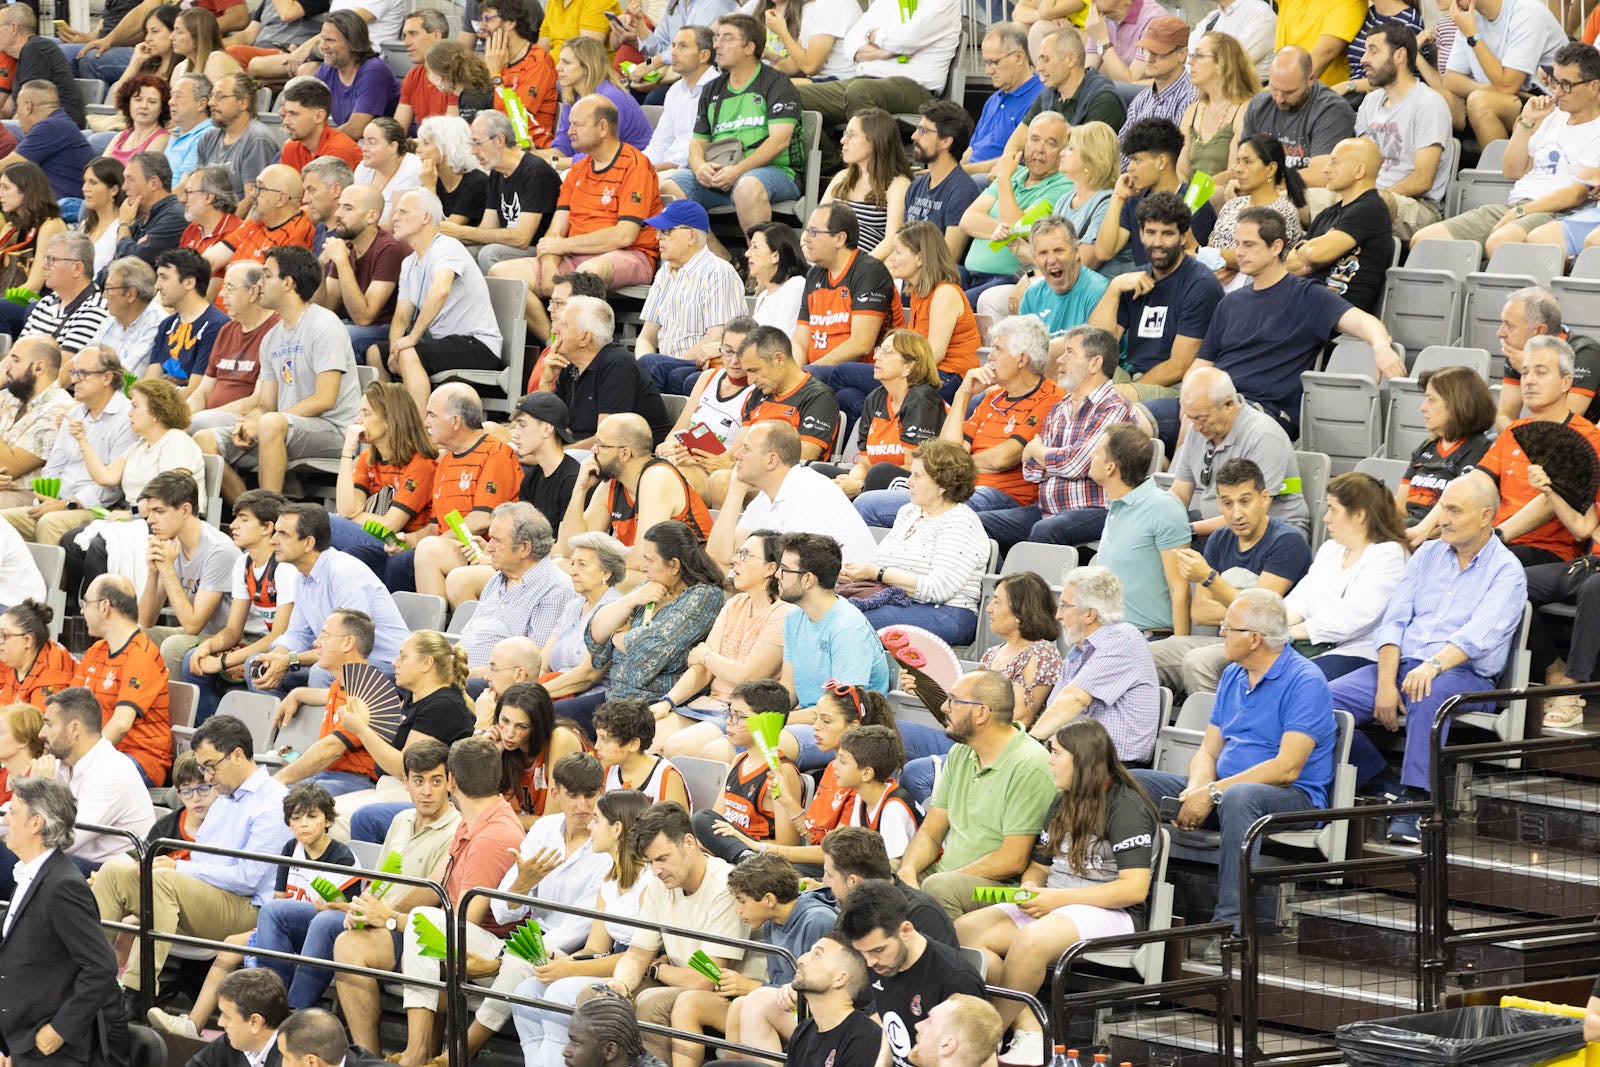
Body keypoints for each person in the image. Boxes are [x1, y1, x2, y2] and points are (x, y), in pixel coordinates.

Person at [1132, 589, 1336, 958]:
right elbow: (1208, 750)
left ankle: (1231, 929)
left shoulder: (1306, 680)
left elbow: (1286, 768)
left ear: (1254, 638)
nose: (1221, 633)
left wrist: (1212, 793)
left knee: (1240, 797)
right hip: (1223, 789)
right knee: (1131, 780)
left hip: (1292, 798)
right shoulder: (1232, 675)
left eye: (1228, 628)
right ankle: (1129, 906)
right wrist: (1197, 788)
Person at [1328, 475, 1527, 843]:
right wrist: (1386, 683)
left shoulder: (1507, 571)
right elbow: (1394, 623)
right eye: (1441, 509)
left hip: (1465, 675)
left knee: (1426, 690)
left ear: (1486, 516)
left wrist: (1431, 666)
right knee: (1319, 700)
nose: (1443, 519)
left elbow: (1478, 638)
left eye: (1453, 510)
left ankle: (1418, 803)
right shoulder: (1427, 554)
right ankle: (1382, 780)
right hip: (1402, 666)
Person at [956, 716, 1158, 1066]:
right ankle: (1028, 1029)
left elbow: (1134, 888)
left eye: (1056, 752)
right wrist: (1031, 889)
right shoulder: (1062, 799)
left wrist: (1057, 899)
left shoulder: (1127, 806)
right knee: (965, 930)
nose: (1049, 759)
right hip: (1058, 903)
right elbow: (1040, 867)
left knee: (1032, 940)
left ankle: (984, 1045)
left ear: (1081, 760)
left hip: (1113, 912)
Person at [331, 737, 524, 1056]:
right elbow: (437, 884)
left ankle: (418, 1053)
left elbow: (462, 926)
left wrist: (390, 919)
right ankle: (372, 1057)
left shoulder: (493, 835)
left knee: (420, 933)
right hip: (445, 940)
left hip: (482, 954)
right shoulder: (471, 821)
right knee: (350, 941)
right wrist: (375, 911)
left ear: (451, 782)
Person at [93, 713, 294, 1001]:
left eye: (211, 767)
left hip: (247, 909)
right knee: (113, 872)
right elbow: (200, 859)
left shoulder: (273, 802)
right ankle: (90, 976)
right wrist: (179, 868)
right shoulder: (225, 797)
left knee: (163, 880)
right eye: (203, 768)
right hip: (206, 896)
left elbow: (248, 879)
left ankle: (137, 993)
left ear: (237, 755)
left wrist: (180, 868)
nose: (208, 776)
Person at [255, 741, 461, 1011]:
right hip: (373, 914)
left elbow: (432, 892)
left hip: (403, 927)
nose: (426, 791)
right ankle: (272, 1007)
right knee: (273, 911)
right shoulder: (401, 820)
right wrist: (358, 905)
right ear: (406, 782)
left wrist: (381, 913)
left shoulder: (457, 829)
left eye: (436, 781)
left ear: (450, 783)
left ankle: (293, 1014)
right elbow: (380, 880)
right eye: (418, 780)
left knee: (327, 922)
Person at [1184, 208, 1402, 437]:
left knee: (1199, 421)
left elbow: (1363, 321)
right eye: (1237, 244)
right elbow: (1201, 363)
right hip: (1214, 404)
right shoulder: (1229, 303)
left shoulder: (1307, 296)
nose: (1239, 252)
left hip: (1264, 411)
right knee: (1142, 419)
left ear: (1276, 247)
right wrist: (1189, 397)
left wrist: (1380, 347)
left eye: (1249, 245)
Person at [853, 315, 1063, 528]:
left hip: (1002, 496)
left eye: (997, 349)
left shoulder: (1051, 399)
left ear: (1022, 359)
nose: (990, 356)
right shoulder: (992, 397)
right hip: (960, 489)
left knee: (870, 505)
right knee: (866, 504)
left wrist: (960, 464)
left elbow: (1001, 459)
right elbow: (948, 451)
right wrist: (963, 394)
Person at [196, 245, 358, 502]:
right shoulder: (272, 337)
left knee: (271, 423)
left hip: (334, 430)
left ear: (288, 283)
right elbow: (265, 405)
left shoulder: (324, 325)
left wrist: (263, 422)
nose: (260, 284)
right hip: (284, 426)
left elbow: (325, 399)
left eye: (267, 275)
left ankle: (268, 513)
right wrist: (248, 421)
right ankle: (249, 509)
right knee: (204, 439)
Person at [896, 669, 1057, 920]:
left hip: (1004, 890)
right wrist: (907, 872)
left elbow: (1012, 860)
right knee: (877, 873)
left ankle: (939, 955)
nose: (945, 707)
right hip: (948, 874)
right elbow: (930, 832)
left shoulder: (1030, 764)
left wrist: (947, 877)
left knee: (938, 888)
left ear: (981, 713)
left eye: (954, 700)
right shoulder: (963, 752)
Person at [1411, 46, 1600, 255]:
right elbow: (1512, 170)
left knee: (1501, 243)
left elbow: (1577, 195)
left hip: (1555, 213)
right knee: (1423, 242)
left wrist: (1521, 211)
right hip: (1516, 206)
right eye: (1555, 82)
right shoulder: (1552, 117)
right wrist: (1527, 122)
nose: (1557, 92)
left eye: (1566, 85)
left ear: (1593, 86)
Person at [1151, 457, 1314, 695]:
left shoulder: (1288, 542)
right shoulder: (1220, 539)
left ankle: (1216, 730)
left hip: (1265, 646)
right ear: (1219, 504)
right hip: (1222, 639)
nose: (1236, 513)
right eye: (1228, 503)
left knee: (1198, 662)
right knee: (1147, 654)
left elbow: (1261, 618)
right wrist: (1239, 607)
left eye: (1245, 501)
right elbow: (1200, 613)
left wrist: (1210, 580)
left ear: (1265, 499)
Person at [669, 850, 839, 1065]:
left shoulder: (817, 921)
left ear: (768, 899)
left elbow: (818, 994)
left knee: (745, 1005)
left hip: (816, 1017)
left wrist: (752, 987)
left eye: (741, 901)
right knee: (689, 1001)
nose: (737, 910)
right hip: (780, 1004)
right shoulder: (771, 922)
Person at [0, 777, 126, 1067]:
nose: (5, 818)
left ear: (36, 823)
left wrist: (60, 1029)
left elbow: (101, 965)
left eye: (13, 811)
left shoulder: (63, 886)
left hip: (53, 1051)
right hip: (22, 1041)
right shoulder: (29, 874)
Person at [654, 14, 803, 258]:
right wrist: (700, 166)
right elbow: (698, 142)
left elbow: (779, 141)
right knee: (670, 186)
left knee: (746, 186)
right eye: (716, 38)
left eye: (727, 39)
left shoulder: (776, 84)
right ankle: (720, 258)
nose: (717, 45)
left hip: (776, 173)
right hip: (722, 175)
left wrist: (737, 171)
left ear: (749, 48)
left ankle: (760, 263)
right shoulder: (713, 89)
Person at [980, 324, 1137, 551]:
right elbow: (1031, 470)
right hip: (1046, 509)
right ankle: (1002, 585)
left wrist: (1040, 453)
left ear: (1095, 363)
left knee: (1047, 530)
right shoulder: (1059, 408)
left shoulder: (1113, 407)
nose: (1060, 360)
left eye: (1070, 353)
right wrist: (1056, 461)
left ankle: (1029, 585)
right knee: (978, 524)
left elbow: (1075, 464)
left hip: (1096, 509)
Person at [836, 439, 989, 646]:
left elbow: (938, 589)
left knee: (846, 620)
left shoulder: (960, 521)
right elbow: (880, 562)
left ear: (942, 484)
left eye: (917, 476)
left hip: (948, 613)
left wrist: (876, 573)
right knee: (821, 607)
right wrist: (854, 573)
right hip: (901, 600)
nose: (908, 481)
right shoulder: (908, 511)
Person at [247, 503, 410, 697]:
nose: (273, 540)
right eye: (275, 532)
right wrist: (276, 656)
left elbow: (349, 646)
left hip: (390, 666)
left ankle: (329, 728)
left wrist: (289, 660)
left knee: (323, 672)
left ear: (308, 543)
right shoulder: (301, 576)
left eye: (283, 534)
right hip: (339, 658)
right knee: (257, 665)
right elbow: (298, 635)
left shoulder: (343, 571)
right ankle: (283, 726)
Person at [652, 535, 792, 756]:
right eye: (738, 552)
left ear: (770, 568)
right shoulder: (734, 604)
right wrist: (667, 702)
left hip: (742, 714)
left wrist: (707, 656)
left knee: (676, 747)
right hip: (710, 704)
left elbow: (747, 676)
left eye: (745, 555)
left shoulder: (783, 613)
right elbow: (700, 669)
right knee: (647, 738)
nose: (735, 559)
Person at [578, 521, 727, 729]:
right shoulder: (650, 587)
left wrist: (616, 636)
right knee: (549, 718)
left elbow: (646, 649)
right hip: (615, 697)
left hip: (651, 704)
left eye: (649, 560)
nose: (642, 567)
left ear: (674, 565)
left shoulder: (704, 597)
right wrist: (631, 600)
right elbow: (595, 631)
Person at [1273, 471, 1412, 682]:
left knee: (1290, 683)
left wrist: (1289, 633)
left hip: (1358, 653)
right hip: (1310, 643)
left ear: (1359, 515)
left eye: (1333, 510)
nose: (1325, 518)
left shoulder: (1389, 554)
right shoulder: (1330, 549)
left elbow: (1353, 617)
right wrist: (1272, 625)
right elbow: (1300, 600)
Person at [379, 188, 505, 418]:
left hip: (478, 345)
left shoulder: (446, 246)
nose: (394, 217)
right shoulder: (409, 263)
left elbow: (440, 290)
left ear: (425, 217)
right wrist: (395, 348)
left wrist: (411, 339)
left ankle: (417, 433)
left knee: (410, 352)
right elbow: (401, 316)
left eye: (402, 211)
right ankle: (393, 422)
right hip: (444, 344)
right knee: (375, 353)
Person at [793, 0, 962, 172]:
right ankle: (833, 167)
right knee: (791, 96)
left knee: (860, 91)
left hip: (915, 88)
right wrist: (888, 51)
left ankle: (875, 176)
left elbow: (906, 38)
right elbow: (851, 43)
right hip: (864, 82)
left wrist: (874, 36)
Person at [1089, 192, 1224, 405]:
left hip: (1177, 388)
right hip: (1134, 376)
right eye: (1150, 232)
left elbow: (1179, 366)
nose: (1157, 242)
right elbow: (1097, 346)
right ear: (1140, 233)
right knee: (1082, 370)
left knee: (1112, 399)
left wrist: (1129, 389)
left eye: (1167, 234)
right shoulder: (1134, 279)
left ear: (1183, 236)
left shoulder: (1200, 285)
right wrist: (1114, 289)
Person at [1475, 337, 1600, 566]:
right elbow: (1477, 481)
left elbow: (1552, 501)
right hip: (1498, 542)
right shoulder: (1514, 430)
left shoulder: (1587, 437)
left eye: (1540, 372)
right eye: (1524, 373)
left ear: (1566, 383)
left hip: (1545, 551)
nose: (1529, 381)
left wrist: (1494, 537)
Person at [836, 880, 986, 1067]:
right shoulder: (882, 963)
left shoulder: (956, 980)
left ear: (906, 930)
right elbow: (890, 1022)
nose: (870, 961)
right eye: (862, 952)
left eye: (878, 950)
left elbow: (981, 1059)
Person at [0, 346, 134, 546]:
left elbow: (112, 486)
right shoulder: (76, 413)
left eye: (83, 374)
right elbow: (54, 466)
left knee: (48, 523)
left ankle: (51, 579)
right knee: (4, 521)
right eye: (73, 372)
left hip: (95, 507)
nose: (73, 380)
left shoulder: (127, 417)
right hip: (58, 502)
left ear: (107, 378)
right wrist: (45, 500)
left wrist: (68, 504)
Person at [180, 490, 294, 724]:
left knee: (255, 665)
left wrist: (226, 661)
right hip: (260, 643)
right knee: (194, 659)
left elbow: (279, 636)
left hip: (289, 649)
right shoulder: (243, 562)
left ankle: (265, 738)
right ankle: (210, 731)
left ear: (267, 527)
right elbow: (233, 631)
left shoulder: (285, 566)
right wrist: (208, 647)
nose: (233, 525)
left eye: (244, 519)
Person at [1032, 568, 1163, 767]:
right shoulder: (1079, 651)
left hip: (1114, 768)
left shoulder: (1123, 638)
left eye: (1065, 606)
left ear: (1089, 615)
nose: (1058, 615)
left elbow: (1075, 699)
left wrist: (1028, 743)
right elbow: (1055, 709)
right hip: (1075, 760)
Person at [706, 419, 878, 568]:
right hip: (798, 588)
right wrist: (737, 490)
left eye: (746, 449)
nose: (737, 455)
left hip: (846, 594)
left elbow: (799, 573)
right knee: (724, 573)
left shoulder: (811, 492)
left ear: (771, 460)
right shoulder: (766, 496)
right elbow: (718, 557)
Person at [1166, 368, 1310, 541]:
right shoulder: (1196, 430)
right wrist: (1163, 521)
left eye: (1202, 419)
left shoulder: (1264, 436)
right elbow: (1180, 493)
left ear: (1228, 405)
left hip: (1267, 532)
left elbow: (1251, 513)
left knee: (1172, 543)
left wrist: (1186, 530)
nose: (1195, 427)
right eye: (1191, 418)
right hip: (1213, 525)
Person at [793, 202, 903, 423]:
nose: (806, 238)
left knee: (843, 398)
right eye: (807, 231)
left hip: (867, 376)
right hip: (820, 373)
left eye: (814, 232)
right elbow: (800, 341)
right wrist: (792, 375)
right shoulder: (815, 275)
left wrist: (807, 374)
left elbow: (861, 344)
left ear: (839, 239)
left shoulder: (868, 271)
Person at [31, 684, 156, 869]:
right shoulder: (59, 765)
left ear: (74, 729)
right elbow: (14, 820)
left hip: (112, 874)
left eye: (48, 724)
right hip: (73, 863)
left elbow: (63, 841)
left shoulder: (112, 771)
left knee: (35, 862)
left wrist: (39, 788)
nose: (41, 733)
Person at [135, 467, 241, 679]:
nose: (150, 520)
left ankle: (173, 711)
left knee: (174, 646)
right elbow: (146, 620)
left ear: (185, 510)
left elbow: (192, 625)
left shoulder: (219, 550)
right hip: (202, 634)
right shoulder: (172, 543)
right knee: (135, 636)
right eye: (150, 512)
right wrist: (154, 572)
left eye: (159, 511)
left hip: (232, 638)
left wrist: (166, 568)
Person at [68, 572, 174, 785]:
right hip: (100, 753)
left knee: (82, 782)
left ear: (104, 607)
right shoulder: (96, 650)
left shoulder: (142, 655)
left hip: (138, 758)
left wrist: (84, 761)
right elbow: (70, 707)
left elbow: (121, 723)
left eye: (85, 603)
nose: (82, 610)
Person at [633, 199, 747, 393]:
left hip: (702, 363)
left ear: (691, 235)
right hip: (664, 365)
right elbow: (646, 337)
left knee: (654, 366)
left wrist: (661, 363)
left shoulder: (718, 272)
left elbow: (716, 337)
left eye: (666, 230)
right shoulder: (664, 274)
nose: (658, 236)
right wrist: (642, 364)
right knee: (627, 363)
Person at [1350, 25, 1451, 240]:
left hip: (1417, 206)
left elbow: (1422, 180)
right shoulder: (1369, 103)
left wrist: (1369, 197)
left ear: (1400, 55)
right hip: (1365, 198)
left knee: (1369, 208)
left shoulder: (1429, 104)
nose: (1363, 59)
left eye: (1373, 50)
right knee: (1293, 200)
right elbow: (1358, 163)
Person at [959, 112, 1074, 296]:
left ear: (1063, 151)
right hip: (968, 273)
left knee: (952, 308)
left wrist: (1003, 179)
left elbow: (1017, 228)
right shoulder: (1015, 172)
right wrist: (1006, 230)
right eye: (1034, 140)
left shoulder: (1063, 185)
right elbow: (967, 220)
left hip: (1007, 279)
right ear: (1025, 142)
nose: (1039, 149)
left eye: (1051, 143)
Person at [823, 330, 945, 501]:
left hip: (922, 484)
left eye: (887, 352)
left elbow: (914, 467)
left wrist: (860, 487)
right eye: (879, 350)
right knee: (819, 474)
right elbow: (865, 464)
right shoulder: (875, 398)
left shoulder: (923, 399)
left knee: (880, 472)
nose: (876, 357)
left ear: (908, 366)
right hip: (876, 480)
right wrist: (849, 483)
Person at [1282, 138, 1392, 315]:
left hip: (1339, 320)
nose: (1326, 169)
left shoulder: (1371, 209)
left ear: (1359, 170)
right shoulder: (1327, 214)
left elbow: (1315, 254)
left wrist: (1312, 254)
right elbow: (1289, 265)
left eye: (1334, 162)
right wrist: (1315, 252)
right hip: (1306, 310)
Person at [1438, 0, 1566, 146]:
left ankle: (1500, 168)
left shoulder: (1527, 11)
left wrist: (1472, 34)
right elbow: (1450, 79)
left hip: (1548, 102)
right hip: (1511, 95)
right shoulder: (1470, 17)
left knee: (1480, 102)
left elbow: (1508, 85)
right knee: (1438, 99)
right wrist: (1490, 90)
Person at [1095, 118, 1217, 271]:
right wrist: (1118, 197)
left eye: (1137, 160)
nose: (1130, 168)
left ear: (1161, 161)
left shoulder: (1195, 202)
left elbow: (1191, 263)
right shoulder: (1134, 199)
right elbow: (1103, 252)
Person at [1400, 366, 1497, 540]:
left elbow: (1463, 518)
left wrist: (1411, 536)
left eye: (1431, 400)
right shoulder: (1426, 447)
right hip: (1411, 531)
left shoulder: (1481, 451)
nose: (1423, 408)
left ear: (1456, 404)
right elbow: (1402, 506)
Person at [892, 221, 981, 398]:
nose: (892, 258)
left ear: (920, 258)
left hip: (949, 378)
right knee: (849, 395)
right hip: (927, 375)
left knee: (840, 373)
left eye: (898, 252)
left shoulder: (944, 293)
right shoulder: (918, 291)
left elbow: (934, 354)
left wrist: (894, 373)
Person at [1241, 46, 1356, 183]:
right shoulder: (1259, 105)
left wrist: (1264, 184)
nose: (1279, 99)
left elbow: (1322, 175)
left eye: (1289, 92)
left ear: (1310, 80)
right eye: (1274, 88)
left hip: (1308, 191)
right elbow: (1242, 163)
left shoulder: (1333, 111)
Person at [1492, 287, 1600, 431]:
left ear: (1540, 331)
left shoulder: (1584, 352)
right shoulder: (1520, 349)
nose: (1500, 333)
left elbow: (1564, 423)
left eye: (1509, 326)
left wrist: (1527, 366)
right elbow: (1504, 416)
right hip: (1535, 439)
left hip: (1580, 445)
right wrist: (1518, 443)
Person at [540, 531, 627, 707]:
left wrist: (536, 694)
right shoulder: (572, 606)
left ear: (606, 573)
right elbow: (544, 660)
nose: (572, 572)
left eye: (582, 565)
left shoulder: (615, 610)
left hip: (591, 697)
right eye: (572, 563)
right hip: (553, 689)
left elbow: (588, 675)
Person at [1206, 134, 1307, 280]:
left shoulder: (1282, 211)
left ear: (1271, 169)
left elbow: (1255, 257)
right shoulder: (1232, 204)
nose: (1238, 169)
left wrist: (1202, 255)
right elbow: (1211, 246)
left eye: (1247, 162)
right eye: (1238, 161)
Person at [547, 38, 653, 167]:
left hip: (632, 168)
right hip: (594, 165)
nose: (558, 67)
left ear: (587, 67)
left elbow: (600, 155)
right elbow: (563, 147)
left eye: (566, 62)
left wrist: (552, 163)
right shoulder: (571, 96)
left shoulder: (610, 97)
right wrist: (531, 156)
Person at [975, 573, 1063, 729]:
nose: (988, 608)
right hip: (972, 739)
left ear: (1020, 611)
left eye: (997, 602)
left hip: (1003, 749)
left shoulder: (1042, 653)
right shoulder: (991, 653)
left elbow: (1019, 718)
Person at [1012, 28, 1126, 143]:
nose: (1038, 68)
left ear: (1071, 60)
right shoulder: (1048, 94)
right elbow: (1016, 141)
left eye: (1046, 60)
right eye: (1039, 60)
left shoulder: (1103, 100)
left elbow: (1083, 157)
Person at [1177, 32, 1259, 186]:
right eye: (1192, 55)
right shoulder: (1192, 110)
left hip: (1224, 198)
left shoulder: (1244, 110)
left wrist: (1194, 196)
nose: (1190, 61)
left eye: (1199, 56)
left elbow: (1234, 172)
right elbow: (1181, 171)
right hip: (1189, 200)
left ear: (1221, 64)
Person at [906, 101, 984, 261]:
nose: (914, 136)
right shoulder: (916, 185)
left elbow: (948, 259)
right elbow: (900, 243)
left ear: (946, 142)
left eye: (923, 131)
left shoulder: (962, 191)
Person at [168, 969, 291, 1067]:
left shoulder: (296, 1055)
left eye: (227, 1016)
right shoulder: (233, 1040)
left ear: (254, 1022)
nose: (220, 1022)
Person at [480, 0, 559, 150]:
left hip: (531, 147)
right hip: (496, 143)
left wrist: (495, 75)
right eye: (482, 20)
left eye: (488, 19)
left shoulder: (538, 61)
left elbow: (516, 120)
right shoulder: (495, 58)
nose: (482, 27)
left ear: (510, 23)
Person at [148, 247, 229, 390]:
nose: (157, 285)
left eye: (164, 278)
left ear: (189, 283)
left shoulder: (216, 326)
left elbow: (195, 391)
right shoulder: (167, 325)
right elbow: (150, 383)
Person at [16, 233, 110, 356]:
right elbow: (16, 353)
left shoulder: (94, 309)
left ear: (77, 268)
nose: (44, 266)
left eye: (52, 260)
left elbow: (63, 370)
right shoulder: (46, 302)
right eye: (45, 259)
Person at [195, 73, 285, 199]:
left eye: (220, 97)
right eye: (212, 96)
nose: (211, 103)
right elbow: (198, 186)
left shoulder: (257, 139)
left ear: (243, 102)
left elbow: (252, 199)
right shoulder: (208, 137)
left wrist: (223, 220)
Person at [0, 83, 84, 206]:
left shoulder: (51, 126)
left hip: (63, 211)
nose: (17, 115)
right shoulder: (59, 123)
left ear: (28, 107)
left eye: (18, 108)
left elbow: (6, 167)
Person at [0, 10, 85, 127]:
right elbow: (8, 109)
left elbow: (29, 107)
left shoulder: (36, 49)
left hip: (56, 127)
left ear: (13, 28)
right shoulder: (25, 54)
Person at [93, 257, 166, 373]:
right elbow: (82, 358)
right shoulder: (112, 317)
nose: (104, 295)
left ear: (131, 294)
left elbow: (126, 376)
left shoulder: (158, 324)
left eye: (109, 289)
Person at [415, 116, 487, 231]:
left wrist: (430, 190)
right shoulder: (433, 177)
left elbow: (442, 232)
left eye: (426, 143)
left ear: (446, 147)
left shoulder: (477, 183)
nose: (418, 150)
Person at [277, 76, 363, 173]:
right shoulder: (291, 147)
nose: (286, 122)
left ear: (319, 116)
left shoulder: (338, 151)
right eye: (286, 113)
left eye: (294, 114)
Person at [0, 601, 74, 708]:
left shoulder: (52, 675)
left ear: (27, 641)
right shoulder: (11, 657)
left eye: (3, 635)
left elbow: (39, 723)